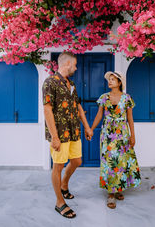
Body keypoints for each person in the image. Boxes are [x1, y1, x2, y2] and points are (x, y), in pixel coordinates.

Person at [42, 52, 93, 218]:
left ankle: (64, 185)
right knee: (58, 166)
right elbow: (47, 109)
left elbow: (78, 107)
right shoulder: (50, 82)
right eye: (75, 64)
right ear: (68, 63)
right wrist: (54, 137)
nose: (76, 68)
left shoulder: (71, 84)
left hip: (74, 131)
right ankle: (59, 202)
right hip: (60, 133)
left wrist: (87, 127)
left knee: (77, 161)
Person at [91, 71, 141, 209]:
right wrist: (91, 129)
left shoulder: (127, 98)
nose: (110, 81)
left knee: (120, 161)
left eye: (113, 79)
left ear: (119, 83)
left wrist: (133, 135)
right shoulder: (103, 97)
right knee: (109, 161)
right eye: (109, 79)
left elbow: (130, 118)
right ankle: (111, 194)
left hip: (122, 134)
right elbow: (98, 116)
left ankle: (118, 188)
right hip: (107, 134)